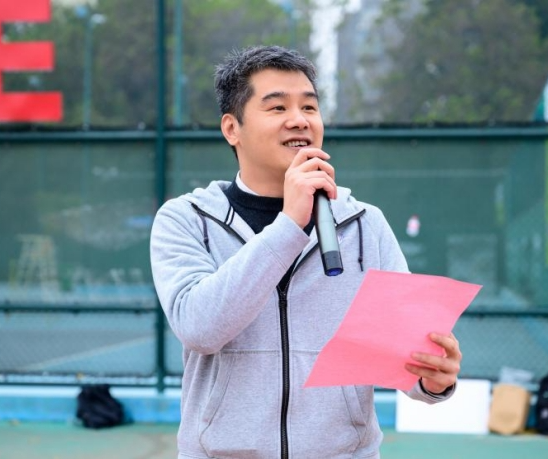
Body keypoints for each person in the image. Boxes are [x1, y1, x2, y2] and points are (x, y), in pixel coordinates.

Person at [150, 45, 462, 459]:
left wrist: (433, 379)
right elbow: (200, 329)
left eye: (309, 107)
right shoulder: (186, 220)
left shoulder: (364, 223)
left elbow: (404, 356)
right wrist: (289, 226)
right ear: (232, 128)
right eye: (277, 107)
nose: (299, 120)